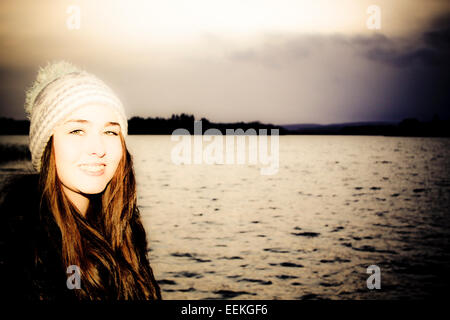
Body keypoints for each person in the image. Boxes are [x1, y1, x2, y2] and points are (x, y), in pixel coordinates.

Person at [0, 61, 161, 300]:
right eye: (77, 131)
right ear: (47, 146)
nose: (97, 148)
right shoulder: (16, 250)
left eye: (110, 132)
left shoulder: (125, 231)